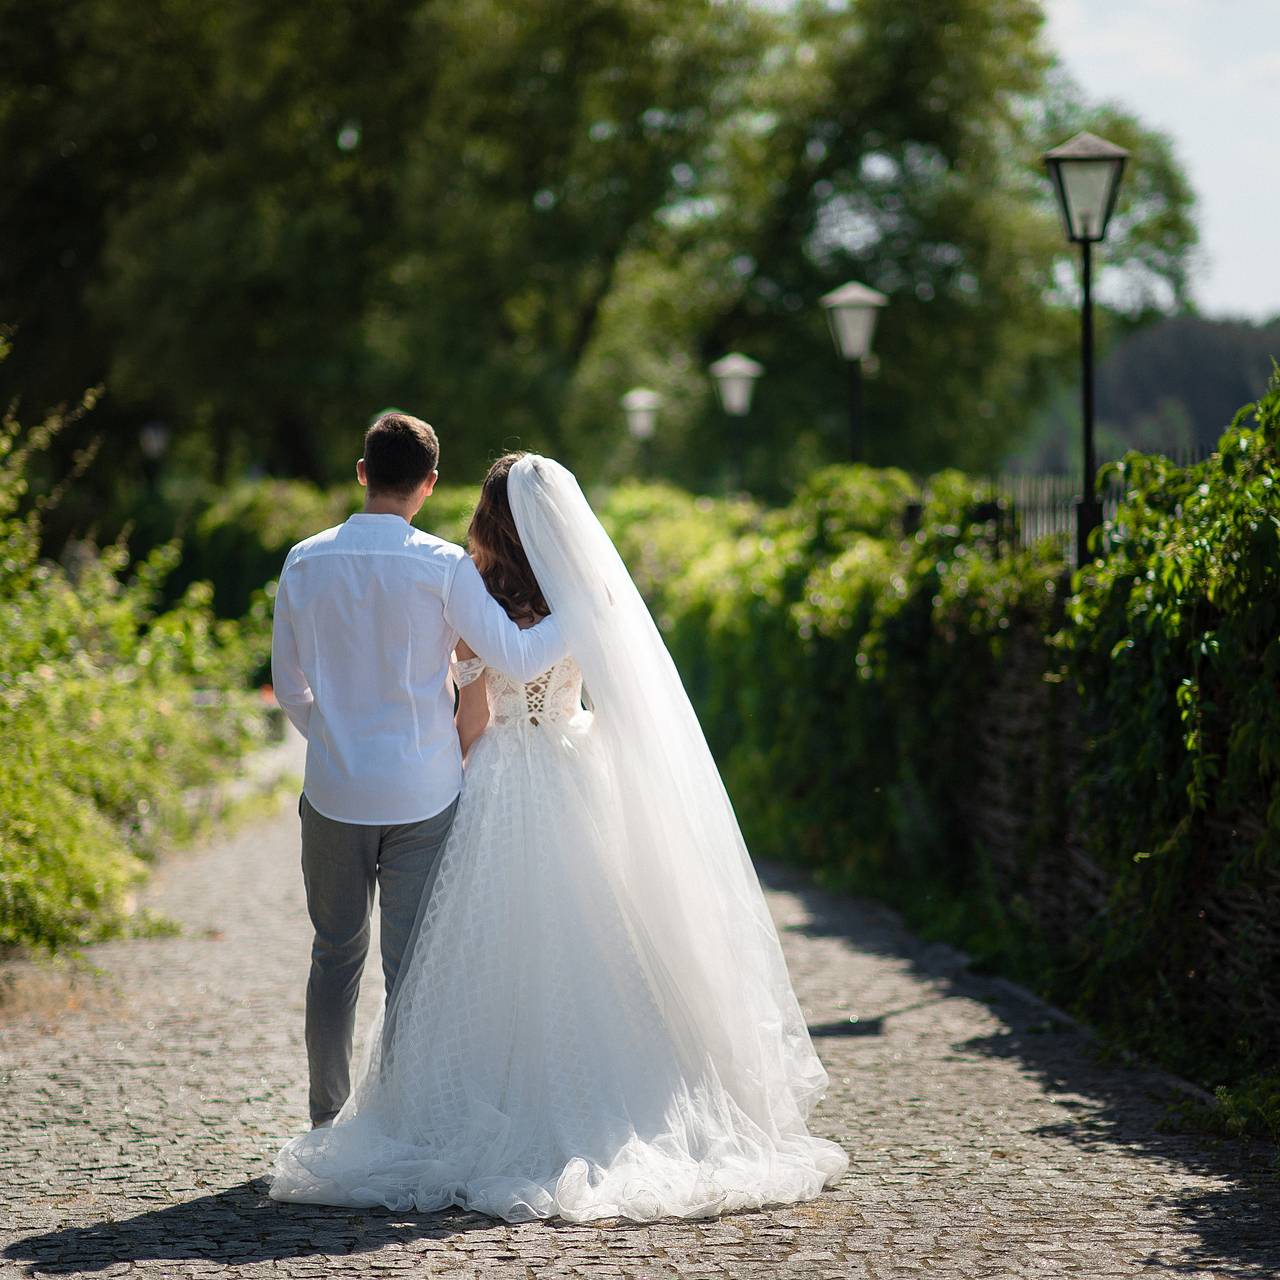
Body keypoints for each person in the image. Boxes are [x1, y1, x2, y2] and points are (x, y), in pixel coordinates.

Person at [269, 450, 848, 1222]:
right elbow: (624, 709)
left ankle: (398, 1106)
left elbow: (472, 720)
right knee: (605, 946)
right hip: (579, 773)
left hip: (496, 781)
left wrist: (450, 764)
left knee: (455, 955)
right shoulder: (594, 597)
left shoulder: (472, 588)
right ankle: (620, 1097)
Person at [270, 415, 566, 1130]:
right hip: (424, 792)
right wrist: (587, 611)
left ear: (363, 471)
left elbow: (288, 687)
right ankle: (399, 1120)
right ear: (429, 486)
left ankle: (326, 1117)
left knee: (333, 958)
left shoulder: (305, 561)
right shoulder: (444, 567)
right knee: (411, 970)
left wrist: (336, 739)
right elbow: (517, 659)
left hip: (335, 792)